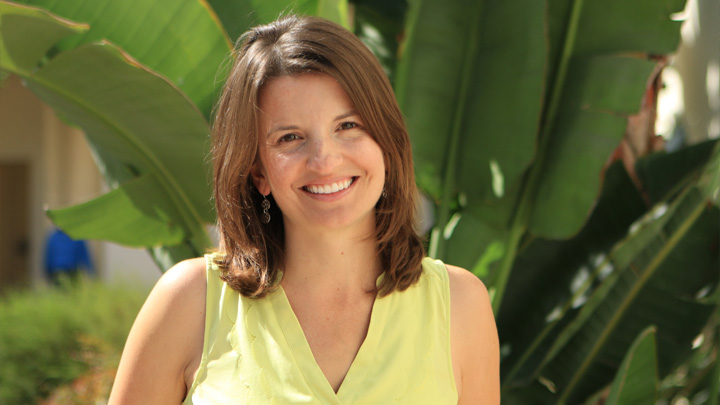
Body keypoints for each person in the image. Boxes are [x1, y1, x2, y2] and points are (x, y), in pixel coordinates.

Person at [109, 15, 499, 404]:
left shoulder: (460, 305)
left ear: (386, 141)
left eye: (348, 126)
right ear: (257, 171)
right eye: (290, 137)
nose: (324, 160)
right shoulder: (189, 302)